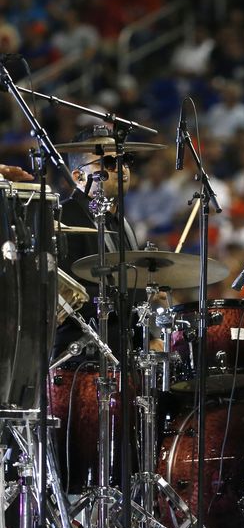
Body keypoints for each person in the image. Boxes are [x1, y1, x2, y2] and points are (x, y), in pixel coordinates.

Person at [53, 125, 141, 361]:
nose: (121, 168)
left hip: (123, 353)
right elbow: (62, 296)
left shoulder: (122, 222)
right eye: (109, 163)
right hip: (80, 358)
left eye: (125, 160)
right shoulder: (62, 219)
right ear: (78, 176)